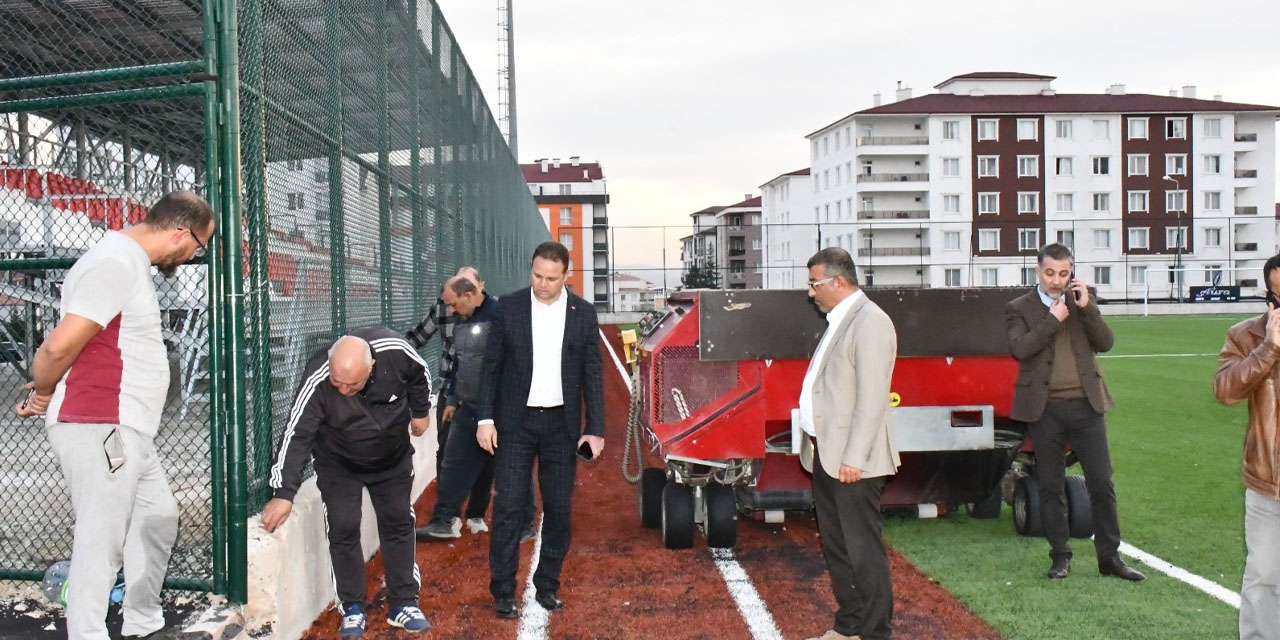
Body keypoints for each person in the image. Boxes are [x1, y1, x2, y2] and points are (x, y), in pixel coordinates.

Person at [14, 191, 214, 640]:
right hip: (100, 420)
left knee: (157, 517)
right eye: (199, 245)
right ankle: (88, 633)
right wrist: (44, 391)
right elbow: (59, 346)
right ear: (181, 233)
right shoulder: (114, 263)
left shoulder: (127, 263)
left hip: (125, 425)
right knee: (100, 542)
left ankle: (143, 621)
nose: (192, 256)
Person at [261, 328, 433, 637]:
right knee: (342, 528)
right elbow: (297, 432)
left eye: (352, 384)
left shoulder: (395, 351)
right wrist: (284, 492)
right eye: (337, 382)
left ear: (371, 367)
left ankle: (404, 602)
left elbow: (420, 375)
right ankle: (352, 606)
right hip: (338, 463)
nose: (342, 389)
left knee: (397, 524)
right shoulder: (318, 377)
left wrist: (420, 412)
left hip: (391, 459)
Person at [477, 241, 605, 619]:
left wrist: (594, 428)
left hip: (561, 427)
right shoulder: (509, 308)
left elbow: (592, 373)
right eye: (537, 275)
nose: (543, 284)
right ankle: (503, 590)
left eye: (551, 278)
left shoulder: (583, 314)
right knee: (508, 508)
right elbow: (491, 367)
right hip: (515, 424)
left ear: (567, 276)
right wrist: (485, 418)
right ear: (530, 269)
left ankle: (547, 585)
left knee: (560, 510)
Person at [1005, 243, 1145, 582]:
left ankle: (1110, 558)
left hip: (1086, 405)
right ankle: (1060, 558)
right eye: (1050, 273)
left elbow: (1106, 342)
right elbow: (1019, 348)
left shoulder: (1082, 300)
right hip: (1044, 409)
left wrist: (1087, 310)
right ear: (1037, 271)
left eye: (1063, 273)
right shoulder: (1018, 308)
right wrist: (1053, 320)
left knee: (1102, 482)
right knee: (1050, 486)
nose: (1056, 281)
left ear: (1072, 271)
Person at [797, 247, 898, 640]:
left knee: (862, 551)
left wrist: (854, 457)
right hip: (828, 454)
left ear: (839, 282)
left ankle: (875, 633)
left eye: (814, 284)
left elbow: (873, 399)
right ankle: (849, 626)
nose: (810, 292)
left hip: (854, 460)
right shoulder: (840, 319)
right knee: (838, 547)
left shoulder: (870, 321)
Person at [415, 276, 534, 540]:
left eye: (454, 304)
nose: (451, 311)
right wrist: (454, 400)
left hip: (501, 408)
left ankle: (524, 525)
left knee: (513, 467)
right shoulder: (460, 321)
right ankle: (443, 520)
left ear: (468, 295)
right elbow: (460, 361)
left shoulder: (500, 315)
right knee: (453, 464)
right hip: (468, 406)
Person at [1213, 254, 1280, 640]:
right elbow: (1225, 391)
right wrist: (1268, 350)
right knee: (1264, 577)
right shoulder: (1245, 336)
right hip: (1268, 481)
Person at [405, 266, 497, 535]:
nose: (453, 308)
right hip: (452, 392)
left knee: (489, 459)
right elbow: (418, 338)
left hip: (487, 400)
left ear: (477, 287)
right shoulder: (444, 310)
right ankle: (447, 516)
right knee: (449, 454)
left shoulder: (496, 315)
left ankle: (477, 514)